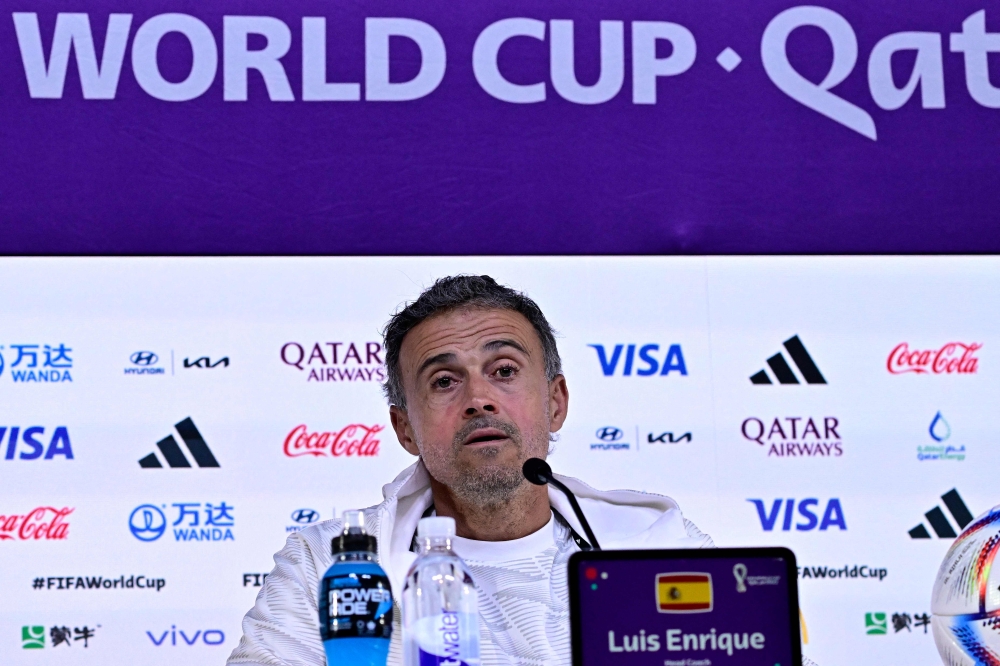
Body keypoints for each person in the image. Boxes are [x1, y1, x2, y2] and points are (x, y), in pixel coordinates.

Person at [228, 275, 813, 666]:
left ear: (556, 401)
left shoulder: (654, 546)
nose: (479, 399)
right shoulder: (333, 563)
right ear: (405, 428)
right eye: (444, 380)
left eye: (504, 371)